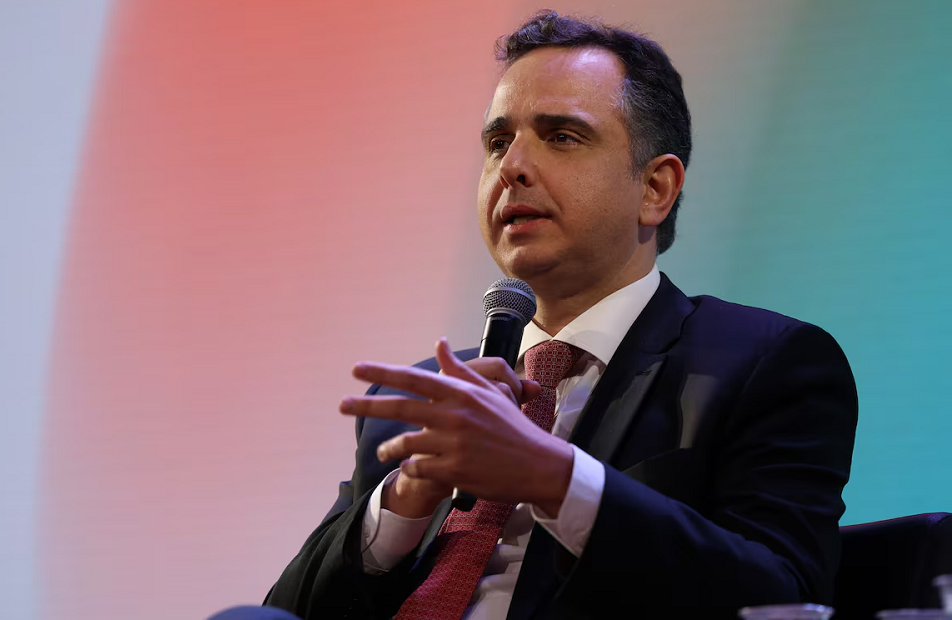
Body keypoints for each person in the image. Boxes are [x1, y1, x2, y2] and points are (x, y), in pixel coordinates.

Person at [262, 10, 857, 619]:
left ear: (655, 189)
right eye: (498, 143)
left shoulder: (762, 364)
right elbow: (283, 614)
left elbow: (785, 597)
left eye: (562, 136)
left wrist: (554, 477)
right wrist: (405, 498)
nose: (512, 167)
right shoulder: (422, 403)